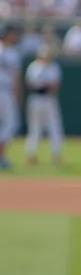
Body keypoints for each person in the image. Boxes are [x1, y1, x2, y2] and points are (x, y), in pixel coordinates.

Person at [24, 44, 64, 165]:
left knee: (54, 127)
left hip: (49, 98)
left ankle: (56, 154)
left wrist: (44, 85)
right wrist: (44, 84)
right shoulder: (34, 66)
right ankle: (31, 155)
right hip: (36, 98)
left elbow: (55, 84)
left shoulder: (54, 66)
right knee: (34, 128)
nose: (46, 57)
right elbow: (30, 83)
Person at [0, 25, 22, 168]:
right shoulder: (12, 53)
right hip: (5, 92)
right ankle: (1, 158)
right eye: (12, 33)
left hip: (5, 91)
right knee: (10, 124)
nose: (14, 36)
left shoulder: (12, 51)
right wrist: (18, 96)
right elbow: (16, 78)